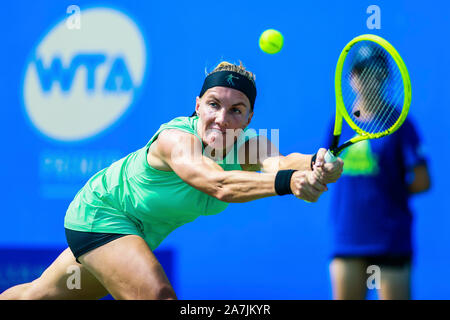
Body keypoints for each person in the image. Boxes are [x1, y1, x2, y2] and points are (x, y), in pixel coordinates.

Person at [0, 61, 343, 300]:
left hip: (138, 233)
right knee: (159, 296)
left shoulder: (247, 144)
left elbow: (281, 161)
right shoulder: (176, 140)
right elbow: (218, 184)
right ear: (197, 105)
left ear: (249, 117)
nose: (222, 119)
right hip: (101, 215)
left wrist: (319, 164)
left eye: (236, 110)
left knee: (38, 296)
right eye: (213, 105)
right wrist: (288, 183)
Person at [327, 45, 431, 300]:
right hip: (348, 237)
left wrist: (387, 192)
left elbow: (422, 180)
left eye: (377, 73)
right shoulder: (338, 123)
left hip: (390, 239)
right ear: (351, 78)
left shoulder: (401, 124)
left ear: (386, 78)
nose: (368, 79)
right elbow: (326, 172)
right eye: (361, 72)